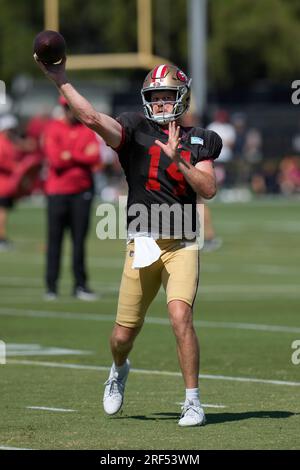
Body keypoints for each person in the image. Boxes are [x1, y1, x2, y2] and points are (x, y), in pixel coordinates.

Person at [35, 55, 222, 426]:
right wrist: (61, 80)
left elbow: (209, 189)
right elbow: (91, 119)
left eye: (167, 96)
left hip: (181, 243)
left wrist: (180, 161)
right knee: (122, 336)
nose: (159, 104)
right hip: (143, 242)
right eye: (154, 97)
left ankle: (192, 401)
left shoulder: (200, 139)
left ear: (182, 97)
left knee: (180, 315)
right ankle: (119, 369)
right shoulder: (135, 128)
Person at [43, 96, 101, 300]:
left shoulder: (87, 130)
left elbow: (95, 158)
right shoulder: (53, 128)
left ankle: (80, 285)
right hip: (57, 192)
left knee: (79, 242)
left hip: (82, 192)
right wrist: (80, 155)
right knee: (54, 241)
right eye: (68, 108)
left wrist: (71, 155)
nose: (71, 112)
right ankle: (51, 286)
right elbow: (56, 160)